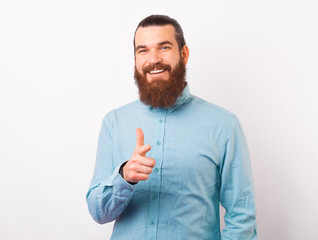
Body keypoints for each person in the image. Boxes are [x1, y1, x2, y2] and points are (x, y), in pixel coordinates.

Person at [86, 15, 257, 239]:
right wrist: (124, 176)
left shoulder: (224, 126)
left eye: (164, 47)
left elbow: (242, 218)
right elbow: (98, 212)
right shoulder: (114, 123)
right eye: (143, 50)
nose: (153, 59)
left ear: (183, 54)